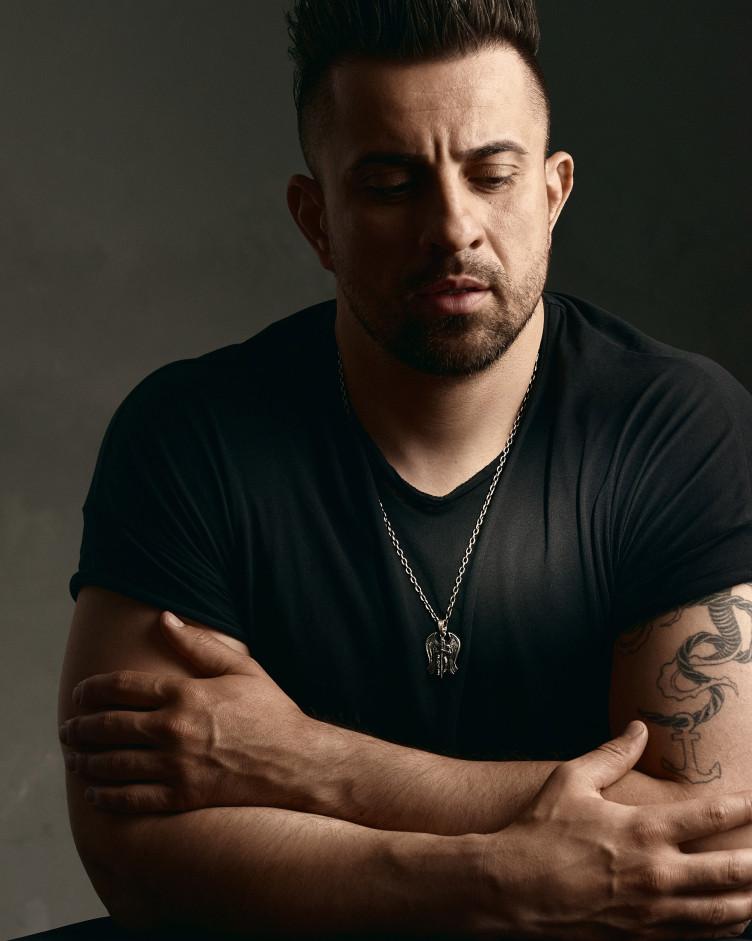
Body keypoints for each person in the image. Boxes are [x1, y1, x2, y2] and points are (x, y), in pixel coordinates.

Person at [57, 1, 752, 938]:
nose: (453, 227)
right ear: (317, 219)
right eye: (391, 185)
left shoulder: (677, 425)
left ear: (553, 193)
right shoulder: (189, 436)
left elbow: (714, 844)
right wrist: (493, 881)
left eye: (492, 175)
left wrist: (306, 759)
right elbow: (134, 851)